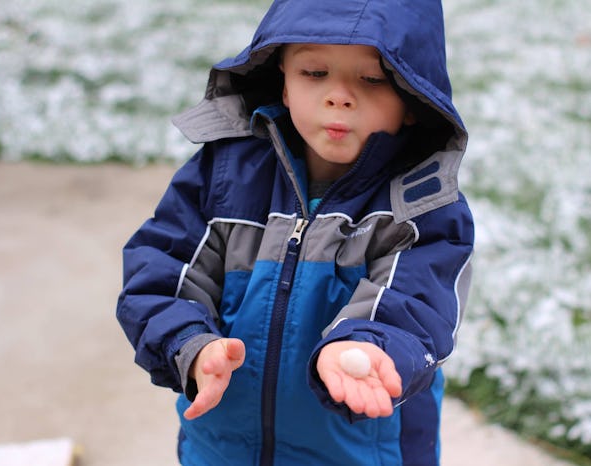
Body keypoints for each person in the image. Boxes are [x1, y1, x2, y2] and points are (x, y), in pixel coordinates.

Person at [116, 0, 474, 464]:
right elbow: (160, 274)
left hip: (362, 452)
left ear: (413, 99)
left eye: (371, 78)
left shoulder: (420, 204)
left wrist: (365, 348)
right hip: (222, 449)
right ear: (281, 80)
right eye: (314, 73)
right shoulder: (224, 177)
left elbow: (417, 304)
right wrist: (189, 343)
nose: (338, 96)